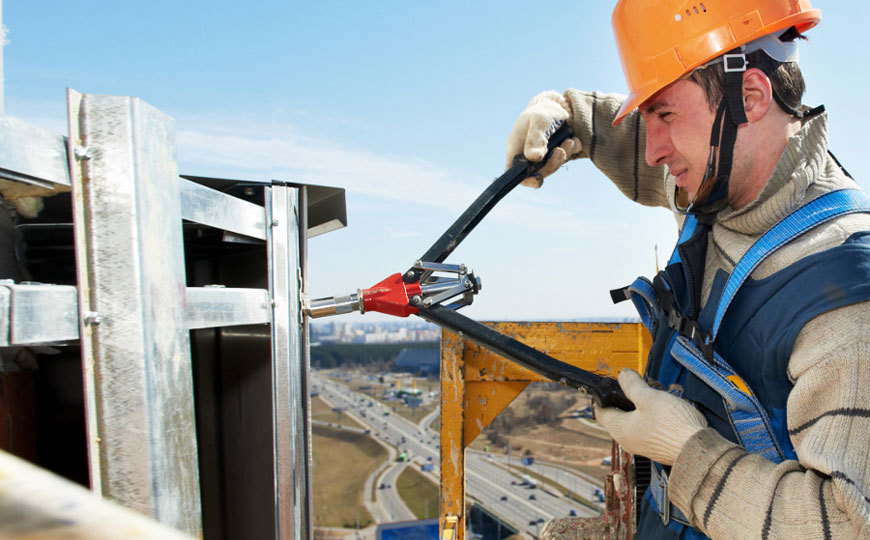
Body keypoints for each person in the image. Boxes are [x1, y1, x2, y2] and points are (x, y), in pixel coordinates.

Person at [506, 1, 870, 539]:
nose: (653, 152)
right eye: (647, 116)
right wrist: (571, 116)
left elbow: (847, 525)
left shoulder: (844, 301)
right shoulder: (726, 182)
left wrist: (686, 451)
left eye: (666, 116)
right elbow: (643, 146)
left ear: (751, 98)